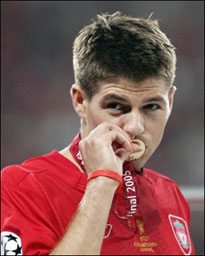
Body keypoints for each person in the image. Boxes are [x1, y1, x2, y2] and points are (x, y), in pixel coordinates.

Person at [1, 12, 195, 255]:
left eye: (151, 107)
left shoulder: (170, 194)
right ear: (80, 101)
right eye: (115, 106)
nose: (135, 126)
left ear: (170, 102)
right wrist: (102, 182)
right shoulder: (21, 187)